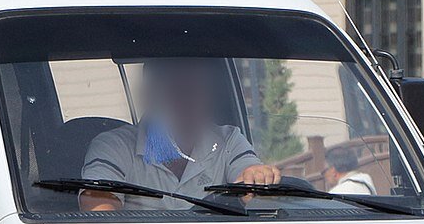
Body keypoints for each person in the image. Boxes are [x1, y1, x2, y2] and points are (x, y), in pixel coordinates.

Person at [80, 57, 280, 212]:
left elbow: (249, 178)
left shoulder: (228, 141)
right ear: (150, 96)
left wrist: (257, 176)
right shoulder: (114, 147)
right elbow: (98, 210)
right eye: (177, 91)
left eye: (197, 90)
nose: (189, 102)